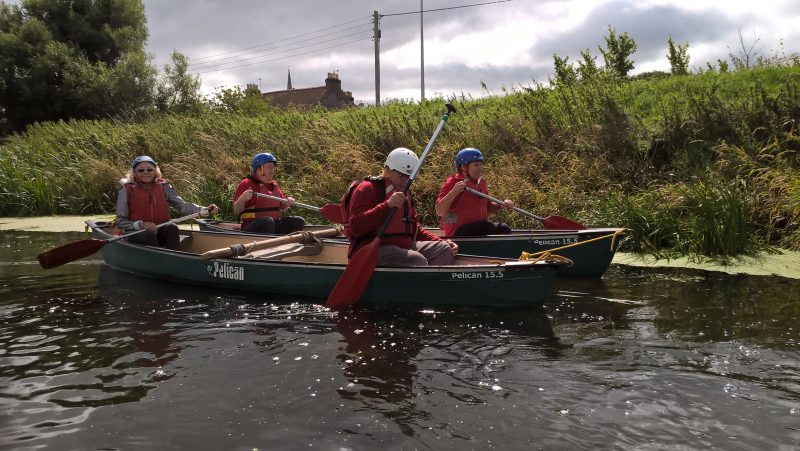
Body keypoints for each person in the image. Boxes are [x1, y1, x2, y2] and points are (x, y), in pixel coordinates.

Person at [343, 147, 458, 266]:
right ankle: (421, 282)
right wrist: (387, 205)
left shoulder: (405, 193)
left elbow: (414, 230)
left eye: (408, 178)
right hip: (373, 248)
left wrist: (441, 241)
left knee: (444, 250)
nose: (404, 181)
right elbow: (355, 227)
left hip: (404, 247)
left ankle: (431, 283)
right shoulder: (367, 188)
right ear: (388, 170)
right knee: (416, 260)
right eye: (401, 176)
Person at [116, 156, 219, 250]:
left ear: (155, 171)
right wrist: (141, 224)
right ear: (134, 173)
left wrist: (204, 209)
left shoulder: (163, 187)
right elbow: (120, 222)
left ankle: (175, 258)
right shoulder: (125, 191)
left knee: (172, 228)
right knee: (149, 233)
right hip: (137, 233)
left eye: (149, 169)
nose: (146, 172)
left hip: (160, 232)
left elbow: (182, 206)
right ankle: (157, 260)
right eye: (141, 170)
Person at [435, 147, 514, 237]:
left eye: (481, 165)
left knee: (503, 228)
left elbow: (488, 208)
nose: (480, 168)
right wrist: (454, 192)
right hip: (457, 233)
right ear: (463, 167)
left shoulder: (481, 183)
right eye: (476, 165)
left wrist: (502, 205)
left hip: (480, 230)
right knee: (486, 226)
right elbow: (439, 211)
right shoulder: (453, 182)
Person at [233, 152, 306, 234]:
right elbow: (236, 210)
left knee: (298, 221)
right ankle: (269, 243)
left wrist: (287, 202)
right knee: (267, 221)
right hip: (252, 226)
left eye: (273, 168)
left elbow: (282, 207)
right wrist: (242, 198)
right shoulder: (246, 183)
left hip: (272, 224)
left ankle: (284, 242)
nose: (272, 171)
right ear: (259, 169)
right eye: (268, 167)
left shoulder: (274, 184)